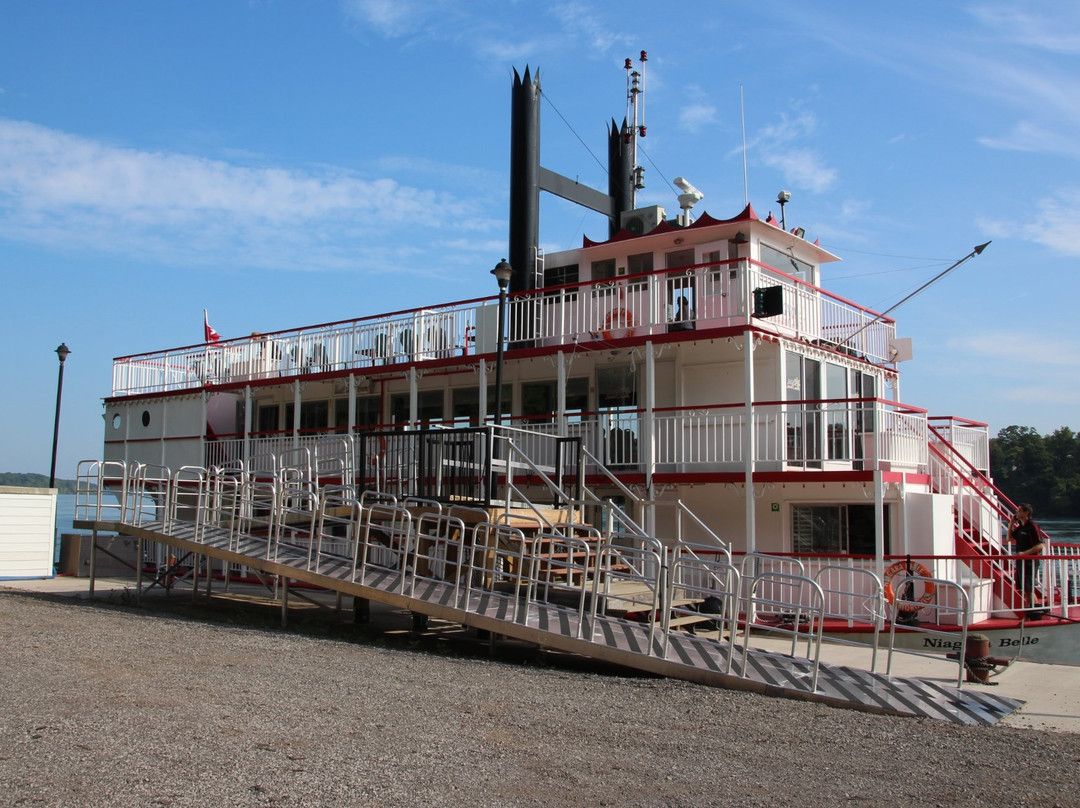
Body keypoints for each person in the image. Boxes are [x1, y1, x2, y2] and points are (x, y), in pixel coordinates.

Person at [1007, 503, 1045, 614]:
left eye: (1018, 511)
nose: (1016, 513)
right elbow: (1009, 538)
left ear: (1026, 513)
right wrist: (1011, 524)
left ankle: (1032, 611)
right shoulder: (1021, 528)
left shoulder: (1032, 526)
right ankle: (1034, 609)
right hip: (1021, 561)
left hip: (1030, 561)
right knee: (1025, 587)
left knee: (1029, 587)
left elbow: (1040, 545)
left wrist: (1025, 553)